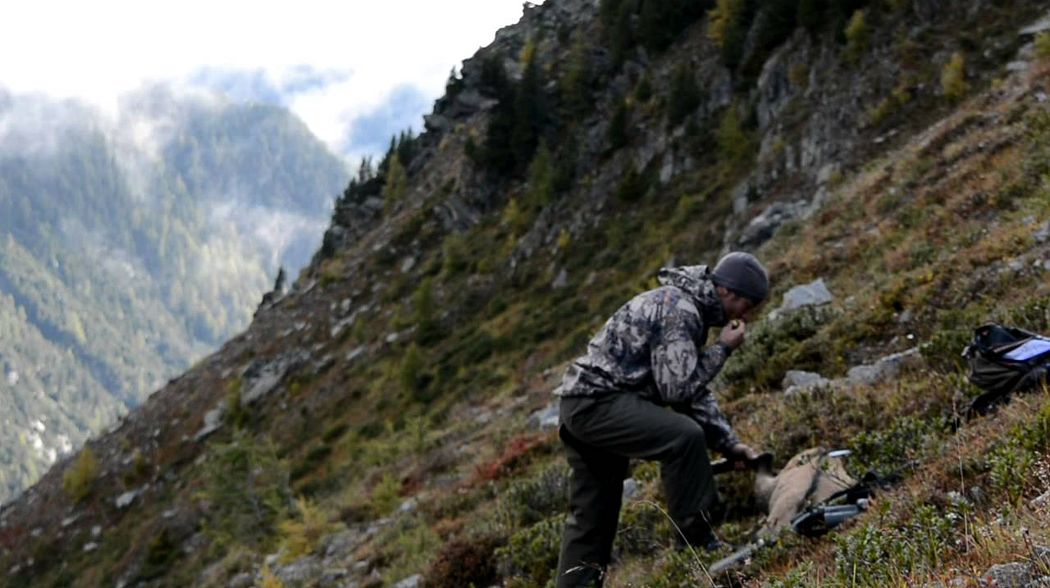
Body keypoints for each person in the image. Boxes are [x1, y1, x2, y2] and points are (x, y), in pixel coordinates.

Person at [553, 251, 769, 588]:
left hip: (579, 406)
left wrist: (730, 444)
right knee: (683, 438)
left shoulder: (685, 307)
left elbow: (691, 391)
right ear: (727, 292)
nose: (748, 314)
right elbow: (678, 391)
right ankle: (696, 546)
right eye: (748, 304)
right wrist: (723, 349)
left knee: (593, 516)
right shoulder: (680, 310)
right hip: (598, 404)